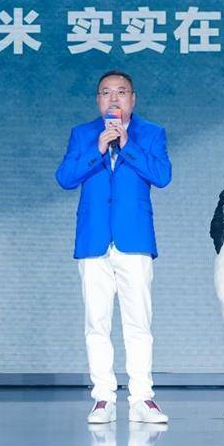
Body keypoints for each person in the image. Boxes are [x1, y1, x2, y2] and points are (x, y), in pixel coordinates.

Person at [55, 70, 172, 424]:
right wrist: (98, 149)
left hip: (133, 239)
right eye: (106, 92)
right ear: (98, 100)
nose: (114, 98)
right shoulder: (83, 135)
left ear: (133, 98)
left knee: (138, 324)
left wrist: (127, 144)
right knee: (97, 323)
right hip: (94, 240)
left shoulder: (151, 133)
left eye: (121, 92)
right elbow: (65, 178)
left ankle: (142, 398)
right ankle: (103, 397)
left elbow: (162, 176)